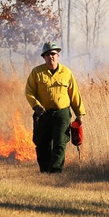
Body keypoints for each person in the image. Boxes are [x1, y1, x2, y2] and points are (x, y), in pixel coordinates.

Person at [24, 40, 85, 174]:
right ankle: (45, 170)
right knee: (42, 143)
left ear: (58, 56)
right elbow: (29, 92)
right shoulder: (37, 72)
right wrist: (36, 106)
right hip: (43, 114)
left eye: (53, 54)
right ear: (43, 57)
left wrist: (79, 114)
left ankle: (56, 170)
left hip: (62, 114)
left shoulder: (66, 73)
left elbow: (74, 94)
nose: (50, 56)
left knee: (60, 142)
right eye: (47, 54)